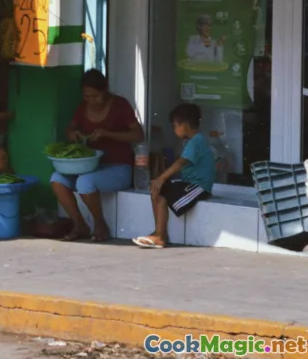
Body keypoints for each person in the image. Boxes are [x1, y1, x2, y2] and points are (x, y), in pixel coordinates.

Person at [50, 69, 143, 242]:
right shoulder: (82, 108)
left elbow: (138, 135)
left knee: (85, 182)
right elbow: (70, 128)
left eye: (95, 96)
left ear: (105, 90)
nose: (91, 101)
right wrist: (73, 134)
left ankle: (100, 225)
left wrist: (108, 134)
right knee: (57, 179)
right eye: (87, 97)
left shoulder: (120, 105)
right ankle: (80, 225)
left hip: (119, 167)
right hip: (90, 166)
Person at [133, 103, 215, 249]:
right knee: (157, 189)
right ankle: (159, 232)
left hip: (199, 187)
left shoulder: (197, 140)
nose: (174, 129)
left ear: (184, 124)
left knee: (161, 189)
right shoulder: (190, 141)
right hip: (189, 183)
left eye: (175, 125)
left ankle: (160, 235)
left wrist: (162, 178)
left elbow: (182, 162)